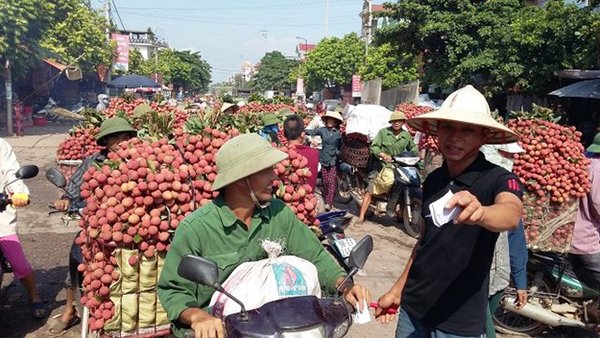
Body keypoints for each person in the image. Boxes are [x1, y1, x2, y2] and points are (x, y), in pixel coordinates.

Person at [157, 133, 370, 338]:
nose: (274, 177)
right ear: (242, 178)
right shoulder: (196, 229)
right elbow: (174, 290)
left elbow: (315, 257)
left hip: (281, 328)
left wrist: (345, 286)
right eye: (266, 171)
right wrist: (197, 316)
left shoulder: (279, 214)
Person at [375, 85, 524, 338]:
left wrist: (482, 213)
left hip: (459, 320)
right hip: (414, 310)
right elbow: (424, 243)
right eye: (448, 127)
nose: (455, 137)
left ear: (483, 136)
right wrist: (397, 290)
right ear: (438, 131)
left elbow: (510, 213)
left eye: (467, 130)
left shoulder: (499, 179)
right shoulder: (434, 179)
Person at [49, 117, 137, 335]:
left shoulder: (139, 160)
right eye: (115, 138)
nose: (120, 142)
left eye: (125, 137)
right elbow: (74, 190)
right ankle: (70, 309)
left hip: (131, 227)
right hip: (98, 225)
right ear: (106, 142)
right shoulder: (93, 161)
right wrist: (66, 200)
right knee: (77, 256)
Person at [481, 142, 529, 337]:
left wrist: (521, 283)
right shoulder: (471, 189)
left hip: (496, 279)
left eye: (512, 156)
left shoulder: (509, 197)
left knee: (481, 329)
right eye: (505, 154)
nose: (511, 160)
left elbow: (516, 245)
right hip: (471, 281)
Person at [0, 138, 46, 319]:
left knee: (19, 264)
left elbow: (11, 172)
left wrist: (18, 193)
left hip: (1, 211)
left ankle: (34, 295)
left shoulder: (0, 145)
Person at [357, 111, 418, 223]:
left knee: (404, 184)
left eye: (399, 121)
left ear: (403, 122)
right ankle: (361, 216)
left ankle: (399, 213)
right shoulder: (383, 133)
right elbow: (374, 147)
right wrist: (383, 154)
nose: (396, 123)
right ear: (391, 122)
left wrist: (418, 158)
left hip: (397, 166)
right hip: (380, 165)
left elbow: (413, 149)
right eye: (394, 121)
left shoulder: (406, 135)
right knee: (371, 189)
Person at [569, 133, 600, 292]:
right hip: (586, 237)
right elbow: (598, 204)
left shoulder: (586, 161)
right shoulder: (598, 168)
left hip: (572, 232)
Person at [305, 111, 343, 211]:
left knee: (331, 181)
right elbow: (312, 132)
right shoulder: (322, 130)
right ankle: (326, 198)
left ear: (335, 122)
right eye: (329, 120)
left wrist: (337, 153)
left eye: (332, 120)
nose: (330, 122)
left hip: (333, 160)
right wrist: (302, 130)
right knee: (325, 181)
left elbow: (341, 146)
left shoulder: (338, 133)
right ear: (326, 121)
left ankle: (329, 203)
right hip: (324, 158)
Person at [283, 114, 319, 191]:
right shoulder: (315, 153)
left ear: (284, 134)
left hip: (283, 200)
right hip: (308, 199)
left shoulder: (280, 155)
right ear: (303, 134)